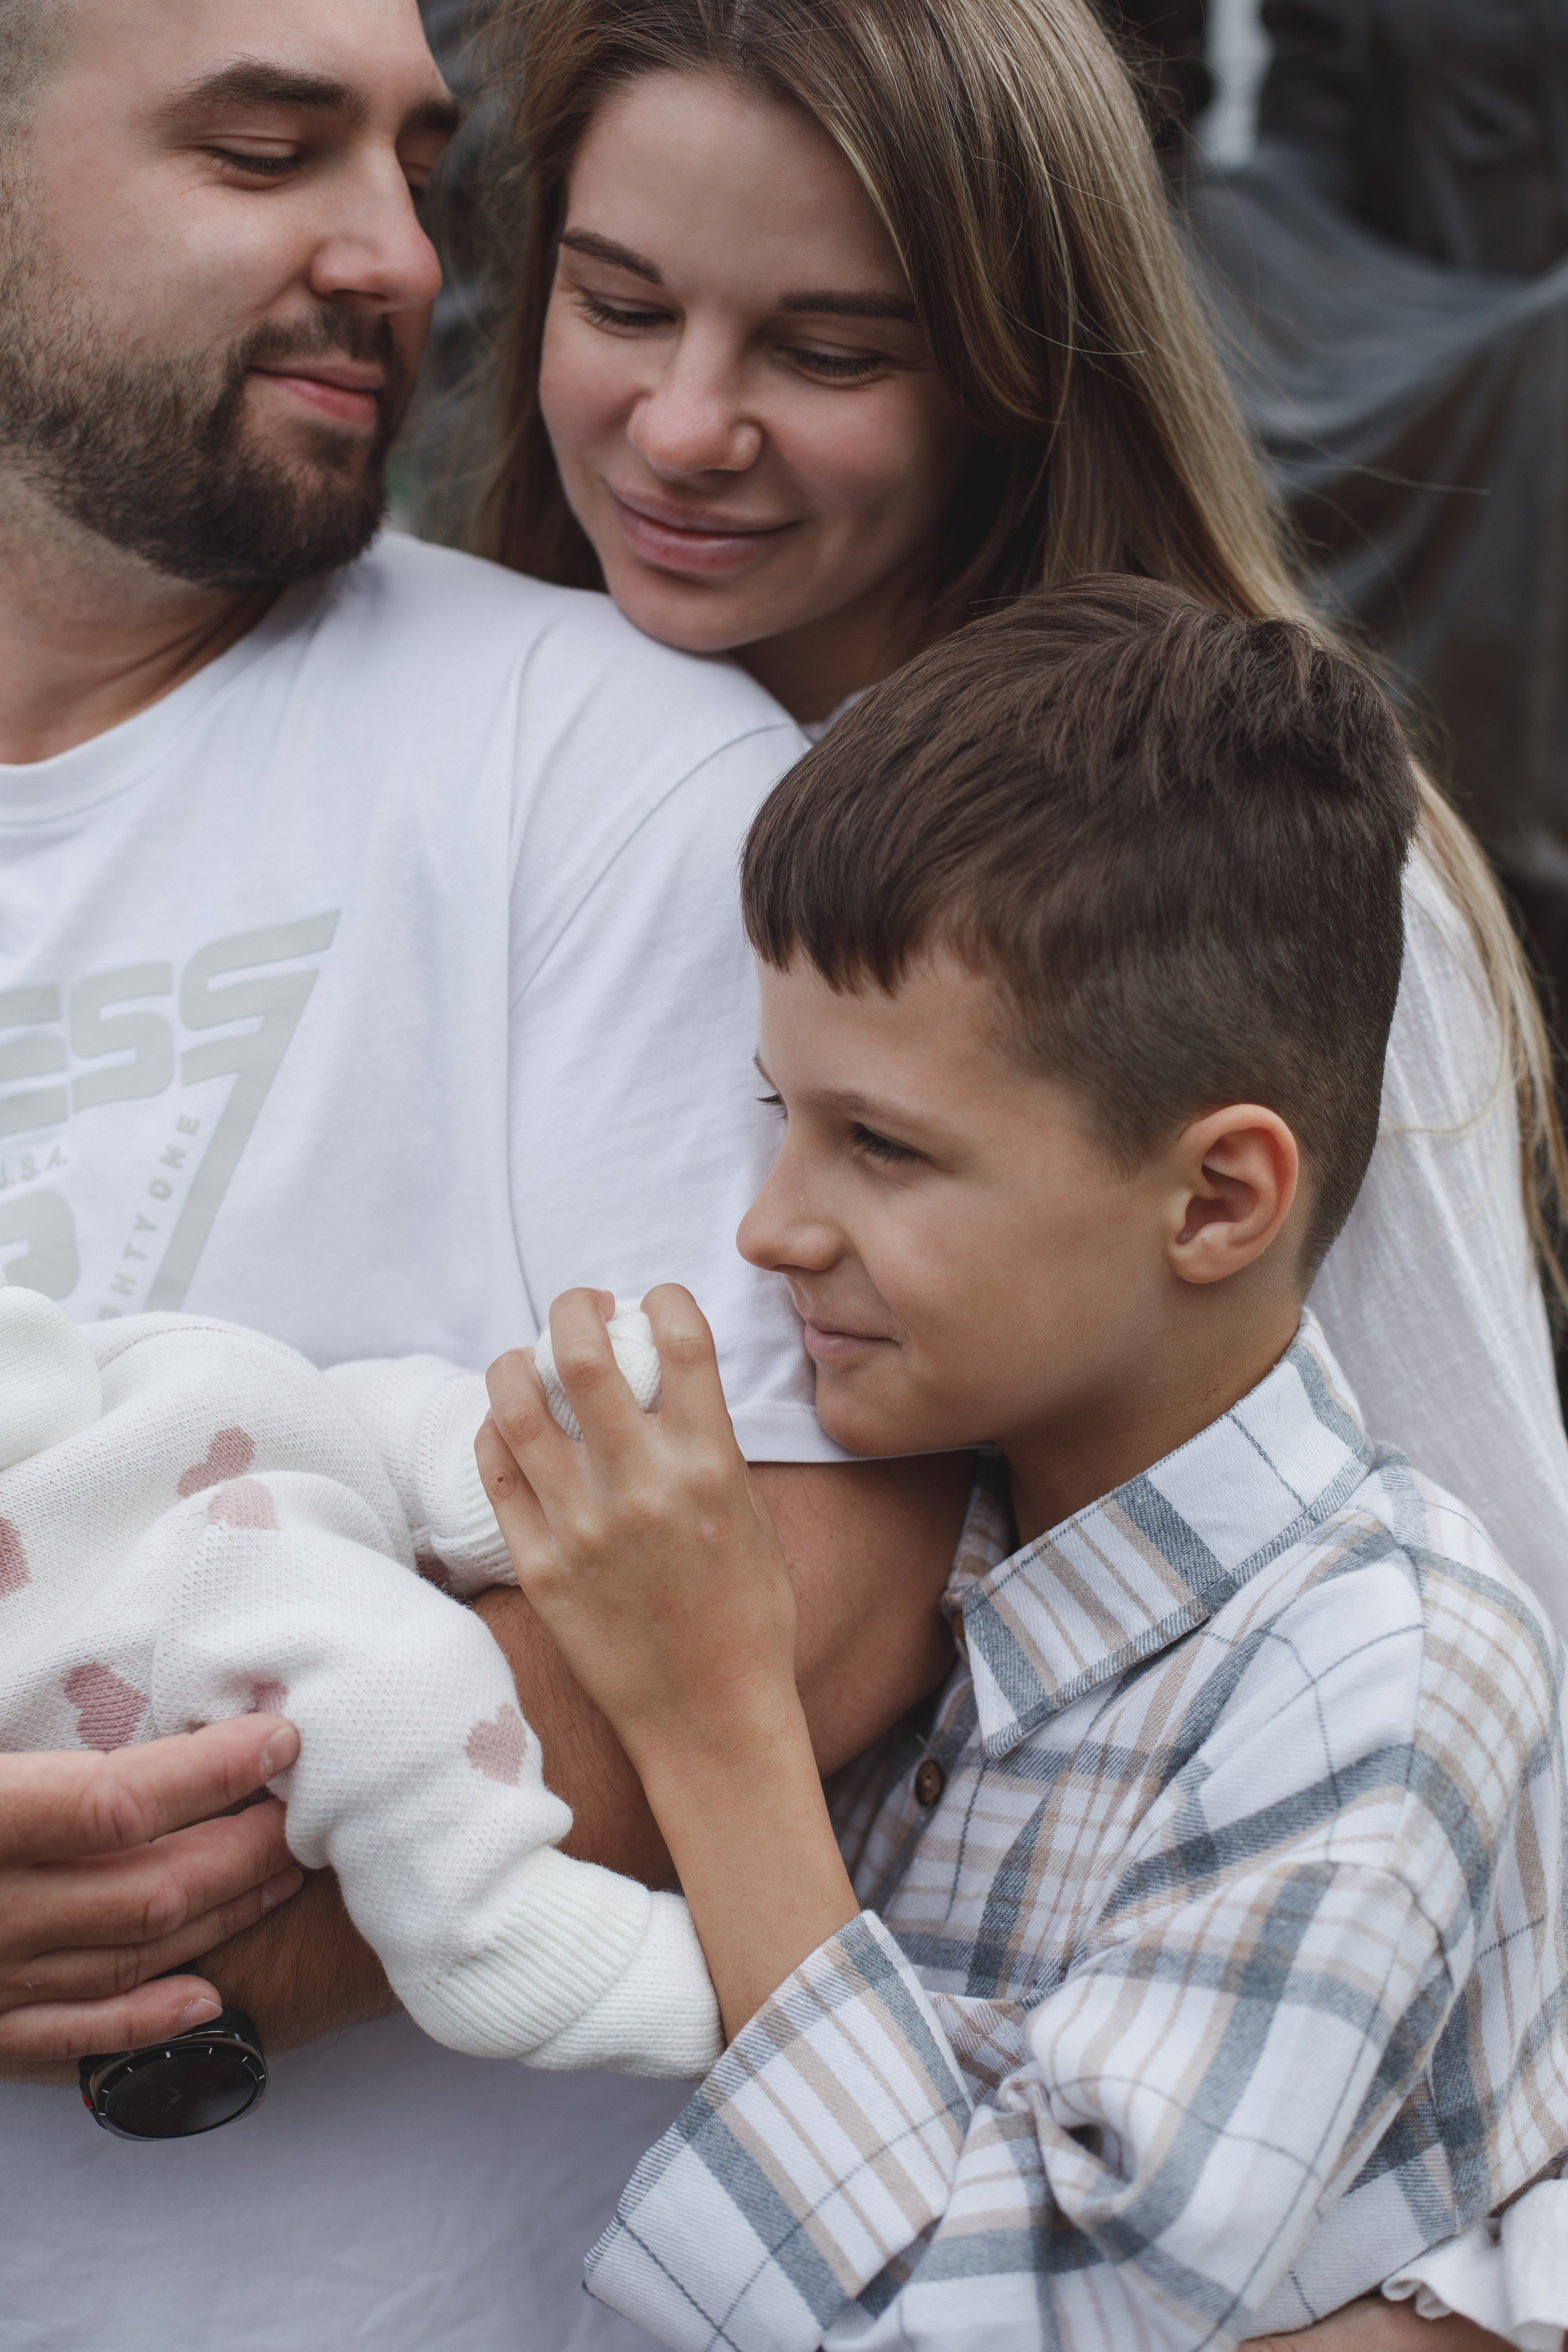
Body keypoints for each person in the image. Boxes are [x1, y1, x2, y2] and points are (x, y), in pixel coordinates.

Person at [0, 1, 964, 2344]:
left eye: (421, 170)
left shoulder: (612, 768)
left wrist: (157, 1941)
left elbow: (822, 1565)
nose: (404, 258)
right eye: (265, 151)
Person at [482, 581, 1568, 2352]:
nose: (769, 1229)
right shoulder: (943, 1555)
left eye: (882, 1149)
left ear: (1217, 1200)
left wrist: (713, 1723)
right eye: (780, 1115)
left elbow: (1023, 2324)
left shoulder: (1376, 1664)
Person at [453, 0, 1568, 1635]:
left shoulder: (1222, 847)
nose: (685, 430)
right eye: (622, 303)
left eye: (830, 351)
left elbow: (1488, 1563)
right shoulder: (485, 738)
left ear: (1017, 364)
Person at [0, 1280, 722, 2080]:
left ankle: (497, 1462)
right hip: (78, 1592)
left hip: (169, 1412)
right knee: (342, 1635)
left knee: (345, 1417)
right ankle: (480, 1920)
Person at [1180, 0, 1568, 1044]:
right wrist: (1260, 211)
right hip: (1402, 313)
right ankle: (1304, 770)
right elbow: (1312, 123)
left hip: (1542, 336)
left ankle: (1522, 857)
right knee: (1202, 241)